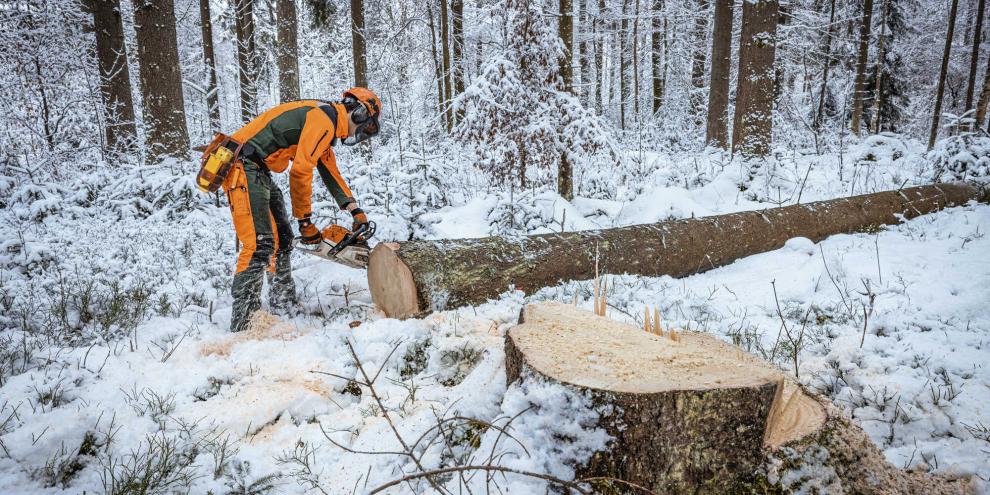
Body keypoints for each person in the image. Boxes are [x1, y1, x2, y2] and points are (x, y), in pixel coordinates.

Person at [222, 87, 382, 332]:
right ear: (359, 112)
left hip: (257, 170)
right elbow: (300, 171)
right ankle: (244, 323)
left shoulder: (327, 125)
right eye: (365, 126)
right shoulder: (324, 119)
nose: (359, 133)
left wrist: (355, 210)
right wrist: (305, 222)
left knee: (283, 239)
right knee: (259, 243)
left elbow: (331, 173)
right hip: (242, 166)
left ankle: (283, 303)